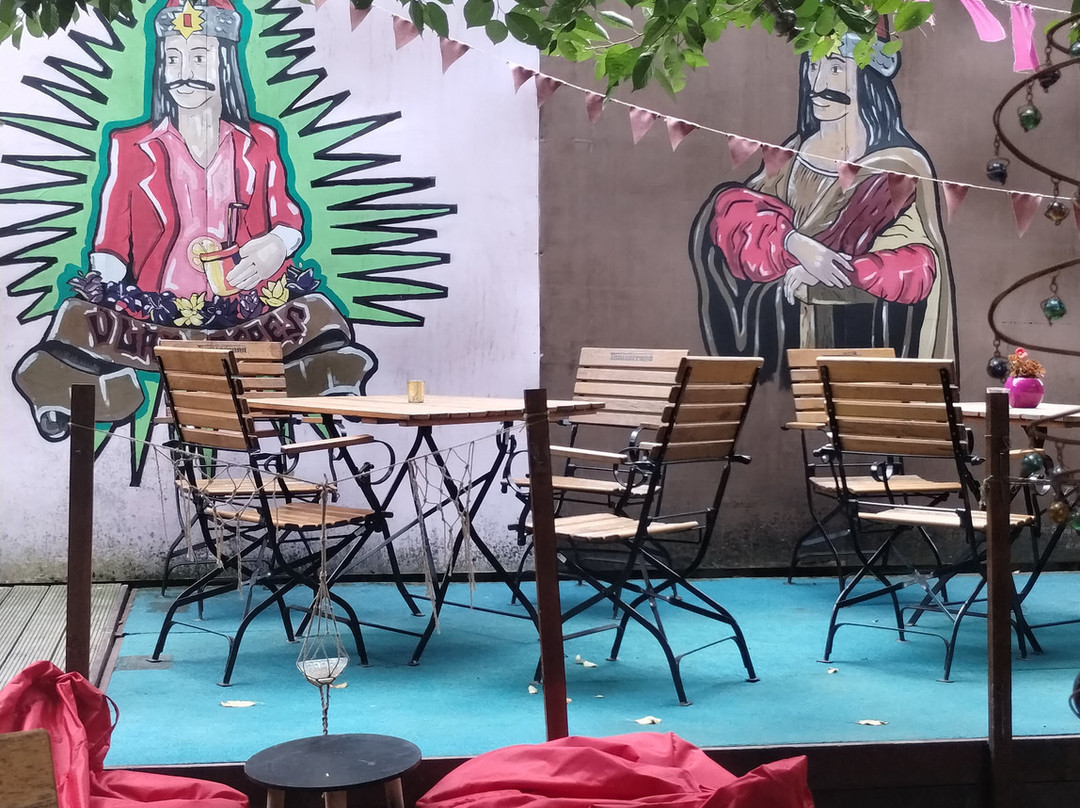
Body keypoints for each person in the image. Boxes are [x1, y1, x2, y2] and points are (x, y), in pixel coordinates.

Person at [688, 31, 957, 383]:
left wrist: (835, 270)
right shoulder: (794, 152)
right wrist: (795, 244)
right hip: (788, 339)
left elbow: (917, 266)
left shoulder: (898, 167)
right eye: (813, 67)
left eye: (835, 68)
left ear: (866, 76)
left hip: (860, 340)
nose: (817, 84)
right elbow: (734, 215)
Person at [90, 0, 304, 299]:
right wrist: (103, 291)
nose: (184, 73)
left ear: (226, 64)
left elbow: (287, 219)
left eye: (200, 58)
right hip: (158, 310)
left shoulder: (261, 142)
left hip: (249, 309)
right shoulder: (129, 147)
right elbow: (110, 247)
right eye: (172, 59)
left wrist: (277, 245)